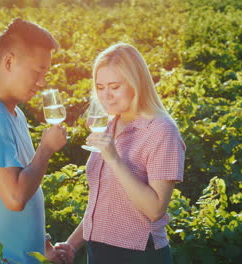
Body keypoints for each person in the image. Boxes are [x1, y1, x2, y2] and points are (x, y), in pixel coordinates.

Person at [0, 18, 71, 264]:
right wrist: (46, 149)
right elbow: (16, 197)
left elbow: (25, 180)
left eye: (45, 73)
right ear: (9, 61)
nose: (42, 82)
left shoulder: (13, 114)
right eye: (37, 71)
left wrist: (44, 243)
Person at [56, 43, 186, 264]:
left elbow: (155, 209)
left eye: (114, 86)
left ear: (136, 83)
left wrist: (114, 159)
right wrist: (72, 244)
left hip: (138, 255)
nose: (106, 96)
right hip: (98, 253)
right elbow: (103, 201)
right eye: (100, 87)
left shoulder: (161, 130)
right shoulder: (109, 125)